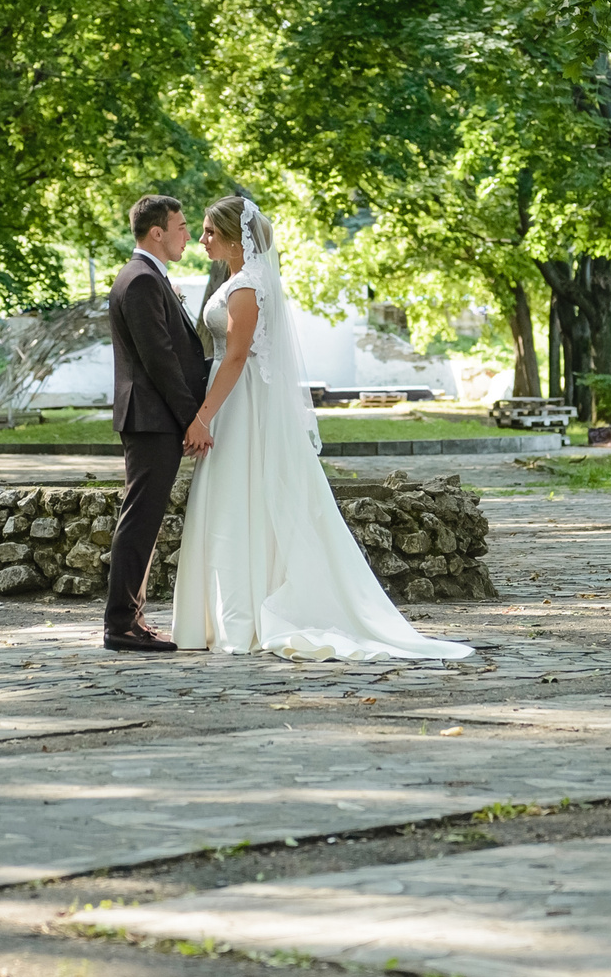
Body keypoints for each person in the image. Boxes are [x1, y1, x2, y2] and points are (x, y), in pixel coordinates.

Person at [172, 193, 471, 662]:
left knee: (238, 494)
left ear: (234, 238)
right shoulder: (241, 281)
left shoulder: (246, 287)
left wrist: (202, 416)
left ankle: (243, 618)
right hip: (235, 398)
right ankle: (229, 612)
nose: (202, 239)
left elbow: (235, 357)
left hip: (241, 404)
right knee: (236, 498)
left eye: (210, 231)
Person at [101, 194, 206, 651]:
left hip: (153, 417)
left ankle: (133, 618)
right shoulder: (142, 279)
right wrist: (192, 419)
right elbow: (159, 359)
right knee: (140, 518)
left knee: (144, 518)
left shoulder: (148, 276)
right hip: (151, 418)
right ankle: (121, 624)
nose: (188, 235)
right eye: (181, 227)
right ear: (157, 232)